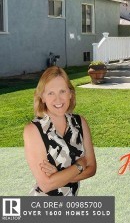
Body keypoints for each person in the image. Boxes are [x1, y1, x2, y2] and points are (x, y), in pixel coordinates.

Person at [23, 66, 96, 196]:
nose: (58, 99)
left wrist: (58, 176)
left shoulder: (80, 123)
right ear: (42, 97)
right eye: (51, 93)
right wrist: (79, 165)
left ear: (70, 93)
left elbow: (92, 168)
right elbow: (46, 185)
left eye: (62, 91)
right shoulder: (33, 130)